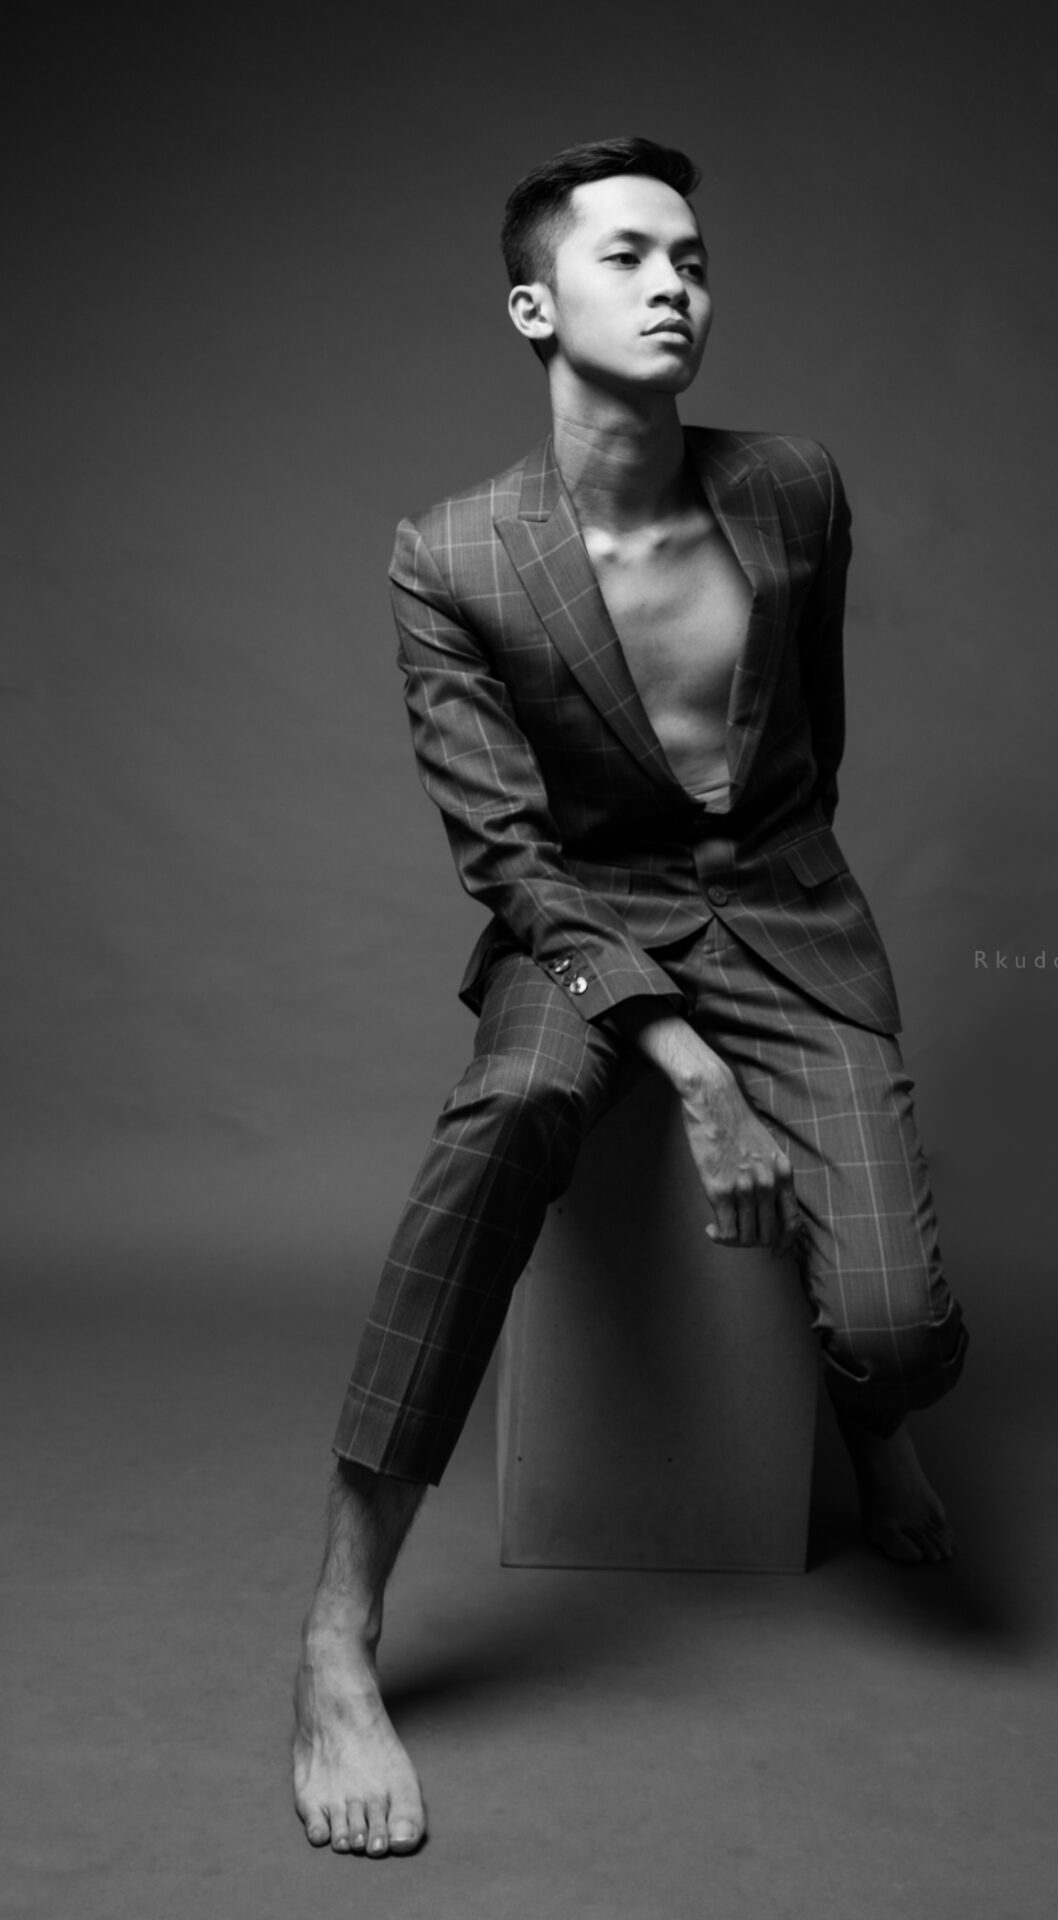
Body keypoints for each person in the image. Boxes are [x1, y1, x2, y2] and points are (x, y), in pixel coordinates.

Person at [292, 135, 969, 1858]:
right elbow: (507, 857)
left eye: (695, 258)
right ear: (537, 307)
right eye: (629, 258)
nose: (677, 283)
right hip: (581, 917)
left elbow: (803, 747)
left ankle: (871, 1416)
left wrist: (771, 931)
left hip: (788, 913)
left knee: (900, 1332)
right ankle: (338, 1639)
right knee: (511, 1109)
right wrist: (690, 1065)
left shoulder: (793, 488)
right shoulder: (453, 555)